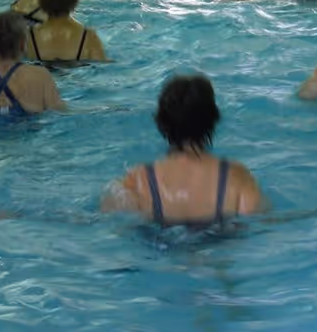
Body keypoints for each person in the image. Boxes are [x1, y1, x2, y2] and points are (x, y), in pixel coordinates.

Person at [101, 74, 265, 227]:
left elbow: (110, 222)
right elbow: (261, 223)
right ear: (213, 120)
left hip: (159, 250)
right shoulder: (236, 177)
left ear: (162, 123)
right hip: (217, 250)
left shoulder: (138, 180)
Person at [24, 0, 109, 63]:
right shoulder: (88, 36)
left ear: (42, 1)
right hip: (78, 75)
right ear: (74, 0)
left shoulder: (29, 37)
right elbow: (102, 67)